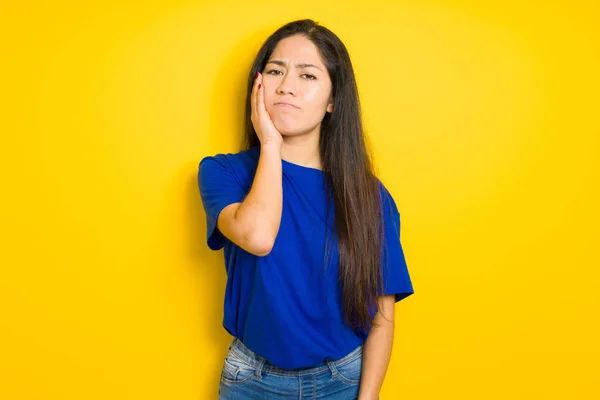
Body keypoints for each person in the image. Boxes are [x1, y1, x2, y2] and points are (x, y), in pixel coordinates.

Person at [197, 19, 414, 400]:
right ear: (257, 85)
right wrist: (269, 144)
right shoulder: (222, 172)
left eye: (308, 75)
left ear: (333, 101)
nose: (286, 86)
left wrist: (368, 396)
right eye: (276, 71)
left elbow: (382, 315)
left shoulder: (370, 197)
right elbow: (259, 237)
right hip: (252, 381)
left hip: (343, 380)